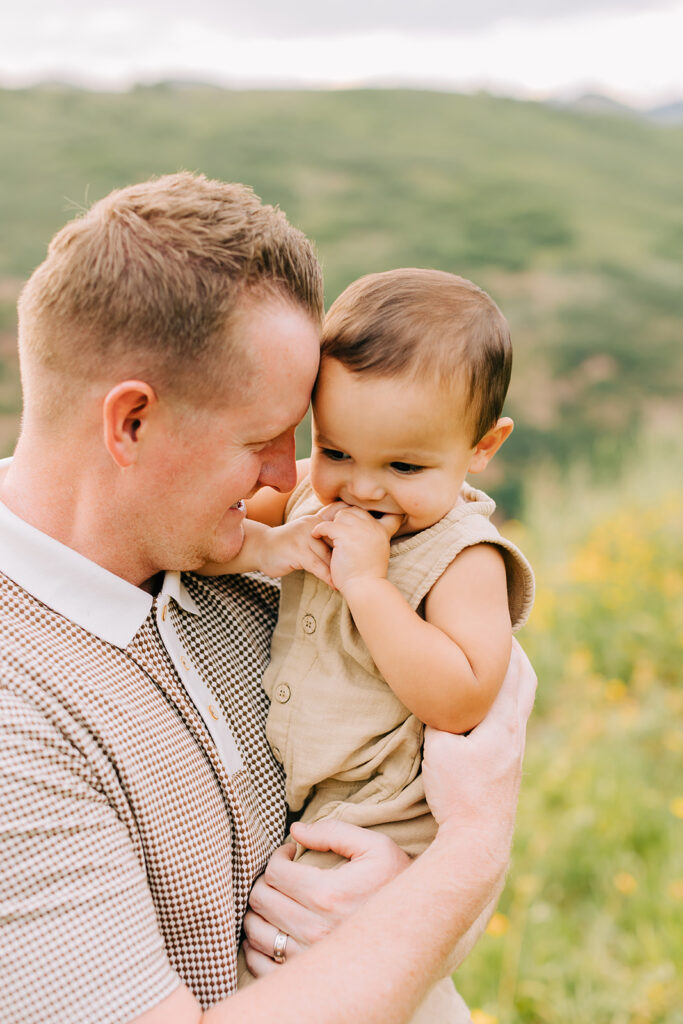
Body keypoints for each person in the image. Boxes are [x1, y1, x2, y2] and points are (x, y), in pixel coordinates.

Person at [0, 172, 536, 1024]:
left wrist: (403, 904)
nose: (300, 483)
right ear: (130, 422)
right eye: (264, 440)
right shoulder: (18, 716)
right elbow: (469, 818)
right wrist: (467, 859)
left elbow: (462, 704)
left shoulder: (261, 552)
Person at [202, 268, 534, 1020]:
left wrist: (370, 589)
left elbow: (459, 699)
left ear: (481, 447)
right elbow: (205, 534)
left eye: (406, 467)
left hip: (383, 814)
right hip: (313, 801)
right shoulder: (312, 497)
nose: (362, 489)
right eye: (339, 451)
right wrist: (270, 542)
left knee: (325, 977)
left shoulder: (462, 557)